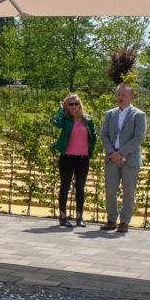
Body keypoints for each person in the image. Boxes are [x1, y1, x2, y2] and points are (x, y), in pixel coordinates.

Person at [100, 83, 146, 233]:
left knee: (128, 191)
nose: (120, 97)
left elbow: (139, 137)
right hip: (111, 159)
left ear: (131, 97)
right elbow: (104, 134)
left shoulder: (139, 115)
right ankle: (112, 220)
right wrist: (112, 152)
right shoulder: (110, 114)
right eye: (118, 94)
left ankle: (124, 222)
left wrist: (121, 153)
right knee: (110, 190)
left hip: (130, 160)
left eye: (123, 95)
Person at [52, 93, 96, 228]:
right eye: (70, 104)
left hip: (83, 158)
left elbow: (93, 135)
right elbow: (55, 123)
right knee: (65, 186)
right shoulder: (65, 119)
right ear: (66, 106)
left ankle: (79, 217)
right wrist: (60, 109)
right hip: (67, 157)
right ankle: (63, 217)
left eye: (76, 103)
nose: (74, 106)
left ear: (80, 105)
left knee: (80, 188)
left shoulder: (87, 120)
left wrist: (90, 150)